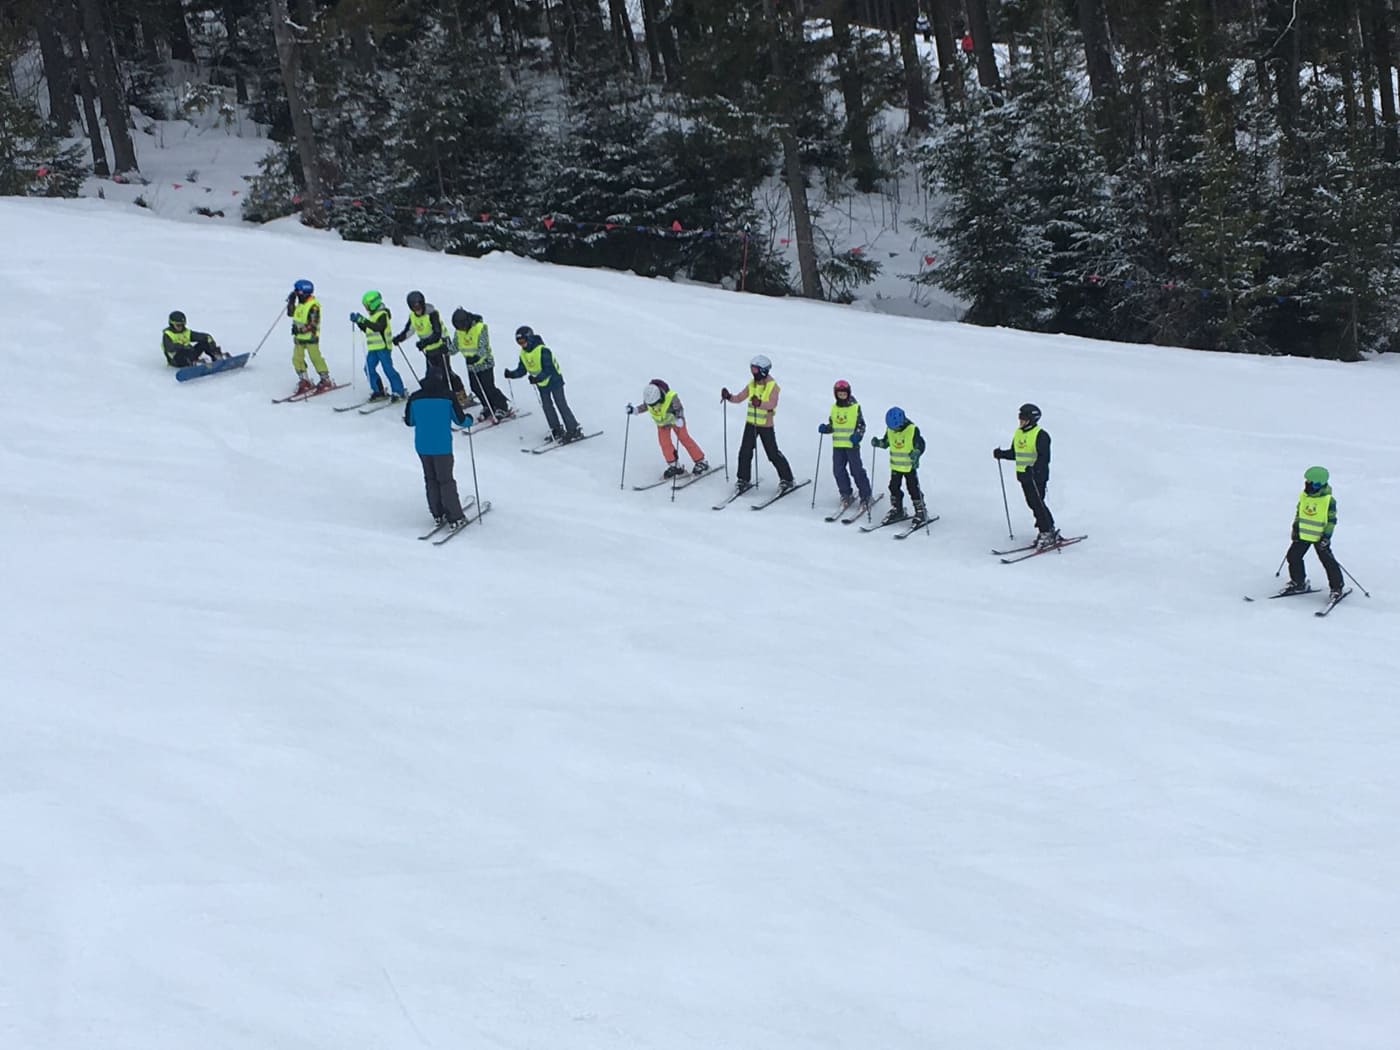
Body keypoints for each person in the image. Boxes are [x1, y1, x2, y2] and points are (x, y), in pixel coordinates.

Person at [403, 371, 473, 531]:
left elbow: (409, 421)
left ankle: (437, 513)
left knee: (431, 479)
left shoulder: (415, 398)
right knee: (446, 480)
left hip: (422, 446)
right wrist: (470, 420)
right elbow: (460, 420)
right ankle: (455, 516)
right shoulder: (447, 397)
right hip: (442, 446)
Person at [722, 354, 795, 494]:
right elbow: (739, 397)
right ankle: (743, 479)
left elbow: (772, 403)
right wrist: (729, 397)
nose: (753, 372)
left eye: (755, 369)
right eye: (752, 369)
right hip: (751, 424)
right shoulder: (752, 384)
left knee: (772, 453)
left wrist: (760, 403)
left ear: (763, 370)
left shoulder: (772, 386)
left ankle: (787, 478)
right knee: (745, 451)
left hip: (765, 425)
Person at [993, 402, 1059, 548]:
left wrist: (1034, 469)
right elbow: (1015, 453)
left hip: (1037, 477)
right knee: (1032, 504)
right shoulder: (1019, 433)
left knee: (1038, 504)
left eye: (1023, 418)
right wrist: (1001, 454)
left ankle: (1047, 531)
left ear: (1032, 419)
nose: (1020, 421)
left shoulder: (1041, 435)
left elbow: (1044, 458)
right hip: (1024, 477)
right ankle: (1047, 529)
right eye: (1020, 417)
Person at [503, 325, 584, 443]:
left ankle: (573, 429)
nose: (522, 345)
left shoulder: (543, 350)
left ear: (529, 338)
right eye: (519, 342)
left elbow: (549, 369)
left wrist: (538, 378)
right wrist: (512, 374)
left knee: (561, 404)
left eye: (523, 341)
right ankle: (556, 429)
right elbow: (522, 370)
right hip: (542, 384)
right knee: (547, 406)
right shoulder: (523, 353)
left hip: (554, 381)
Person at [393, 290, 468, 411]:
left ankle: (460, 395)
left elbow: (437, 333)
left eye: (418, 305)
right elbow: (409, 330)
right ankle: (437, 397)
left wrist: (424, 342)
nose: (417, 309)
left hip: (441, 345)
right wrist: (398, 339)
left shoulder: (432, 314)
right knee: (431, 374)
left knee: (446, 372)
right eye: (413, 306)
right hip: (428, 349)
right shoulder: (413, 316)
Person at [1280, 466, 1345, 599]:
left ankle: (1337, 587)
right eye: (1308, 482)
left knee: (1328, 562)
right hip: (1303, 535)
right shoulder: (1304, 496)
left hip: (1319, 537)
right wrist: (1296, 528)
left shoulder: (1328, 501)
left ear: (1321, 485)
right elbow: (1299, 513)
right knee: (1293, 556)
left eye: (1314, 484)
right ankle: (1298, 582)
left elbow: (1331, 521)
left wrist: (1326, 537)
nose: (1310, 486)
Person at [626, 380, 709, 477]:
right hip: (662, 424)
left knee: (684, 438)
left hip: (675, 421)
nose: (653, 406)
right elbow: (646, 406)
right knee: (664, 443)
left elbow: (679, 409)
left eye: (655, 403)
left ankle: (701, 462)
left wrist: (679, 418)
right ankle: (674, 466)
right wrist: (635, 410)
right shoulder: (649, 397)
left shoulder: (671, 397)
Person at [817, 379, 873, 512]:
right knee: (838, 470)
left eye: (844, 394)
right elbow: (833, 425)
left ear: (848, 393)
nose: (842, 396)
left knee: (856, 470)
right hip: (838, 445)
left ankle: (865, 495)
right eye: (839, 394)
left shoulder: (855, 407)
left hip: (851, 445)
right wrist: (826, 428)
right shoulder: (834, 408)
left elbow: (861, 425)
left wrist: (858, 436)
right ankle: (845, 493)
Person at [871, 406, 928, 525]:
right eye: (892, 428)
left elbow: (920, 444)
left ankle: (921, 510)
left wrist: (917, 452)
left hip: (909, 466)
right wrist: (878, 443)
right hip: (896, 466)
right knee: (893, 487)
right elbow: (886, 442)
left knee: (913, 488)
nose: (894, 430)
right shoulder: (890, 430)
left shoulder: (912, 429)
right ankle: (897, 509)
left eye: (896, 427)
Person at [451, 308, 512, 419]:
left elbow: (483, 347)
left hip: (485, 363)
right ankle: (487, 405)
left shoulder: (480, 328)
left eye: (462, 326)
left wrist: (476, 358)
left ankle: (502, 406)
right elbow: (455, 347)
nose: (461, 329)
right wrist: (446, 349)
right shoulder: (458, 331)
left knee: (488, 387)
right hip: (471, 365)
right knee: (475, 387)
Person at [349, 289, 405, 402]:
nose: (366, 308)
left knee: (388, 369)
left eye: (367, 305)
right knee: (368, 369)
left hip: (383, 348)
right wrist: (359, 322)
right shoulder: (373, 316)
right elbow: (368, 329)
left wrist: (362, 320)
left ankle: (399, 391)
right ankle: (378, 390)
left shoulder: (383, 315)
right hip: (373, 348)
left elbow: (378, 327)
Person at [287, 278, 334, 395]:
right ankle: (304, 380)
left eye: (297, 291)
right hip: (299, 338)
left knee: (315, 357)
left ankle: (325, 379)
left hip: (310, 338)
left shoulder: (313, 306)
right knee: (297, 359)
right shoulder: (301, 304)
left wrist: (299, 329)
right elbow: (290, 313)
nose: (296, 293)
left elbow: (312, 324)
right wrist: (291, 302)